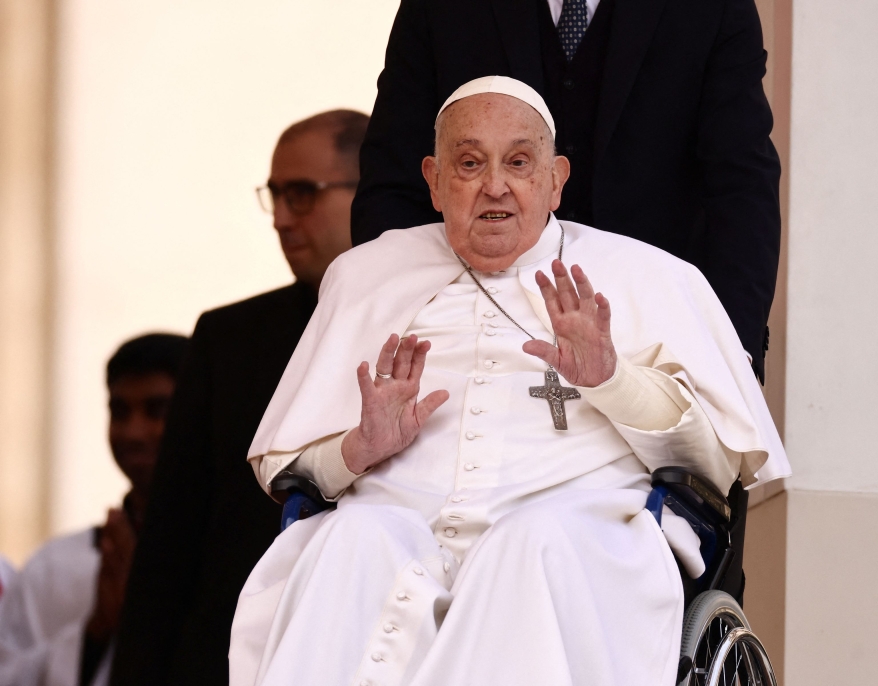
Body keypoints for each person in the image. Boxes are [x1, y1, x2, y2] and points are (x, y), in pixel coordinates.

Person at [230, 77, 788, 686]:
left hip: (572, 540)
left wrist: (612, 379)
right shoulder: (368, 275)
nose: (494, 184)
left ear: (556, 180)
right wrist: (356, 449)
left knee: (528, 545)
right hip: (397, 528)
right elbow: (289, 471)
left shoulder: (646, 275)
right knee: (352, 539)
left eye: (519, 162)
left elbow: (713, 462)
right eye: (469, 163)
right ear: (434, 180)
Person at [352, 0, 782, 382]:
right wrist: (394, 323)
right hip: (466, 339)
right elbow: (395, 177)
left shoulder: (716, 6)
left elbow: (740, 184)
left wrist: (729, 356)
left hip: (652, 339)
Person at [109, 110, 370, 686]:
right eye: (274, 196)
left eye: (302, 195)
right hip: (229, 652)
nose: (280, 218)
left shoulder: (437, 318)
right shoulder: (227, 339)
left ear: (370, 187)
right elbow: (171, 544)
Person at [0, 333, 190, 686]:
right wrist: (95, 632)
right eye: (120, 411)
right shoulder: (52, 567)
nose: (133, 431)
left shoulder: (231, 554)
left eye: (157, 410)